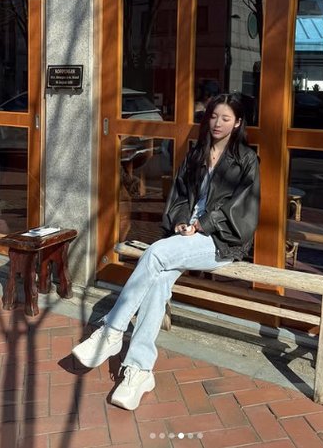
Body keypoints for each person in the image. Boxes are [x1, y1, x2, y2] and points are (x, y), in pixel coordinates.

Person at [71, 93, 260, 410]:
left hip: (221, 240)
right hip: (188, 238)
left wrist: (202, 225)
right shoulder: (197, 153)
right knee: (158, 280)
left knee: (156, 254)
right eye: (214, 116)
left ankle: (112, 330)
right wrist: (182, 221)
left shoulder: (246, 160)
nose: (217, 123)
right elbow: (181, 195)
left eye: (226, 118)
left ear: (238, 123)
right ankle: (139, 371)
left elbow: (241, 210)